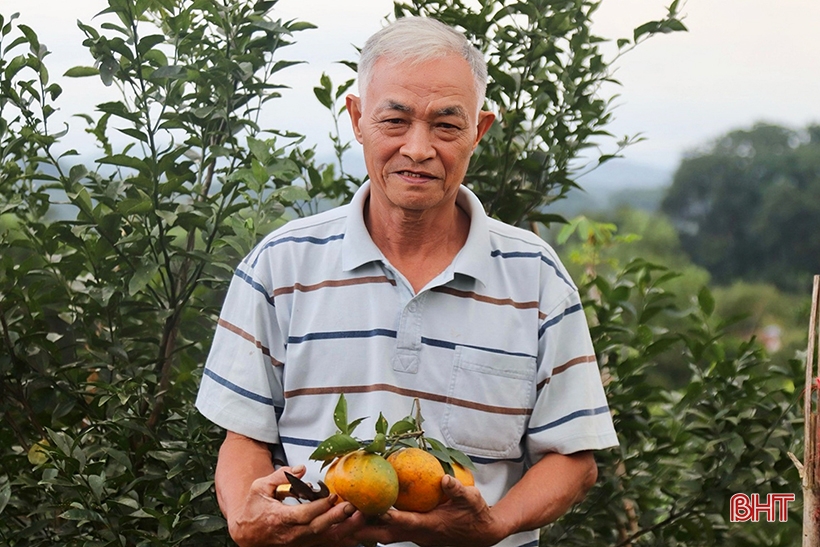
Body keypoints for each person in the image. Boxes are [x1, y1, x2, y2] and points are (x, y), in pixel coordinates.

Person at [195, 16, 618, 547]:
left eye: (446, 125)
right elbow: (244, 439)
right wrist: (244, 516)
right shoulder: (280, 266)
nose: (418, 149)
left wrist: (494, 526)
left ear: (479, 131)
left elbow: (573, 460)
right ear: (356, 118)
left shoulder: (535, 277)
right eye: (395, 120)